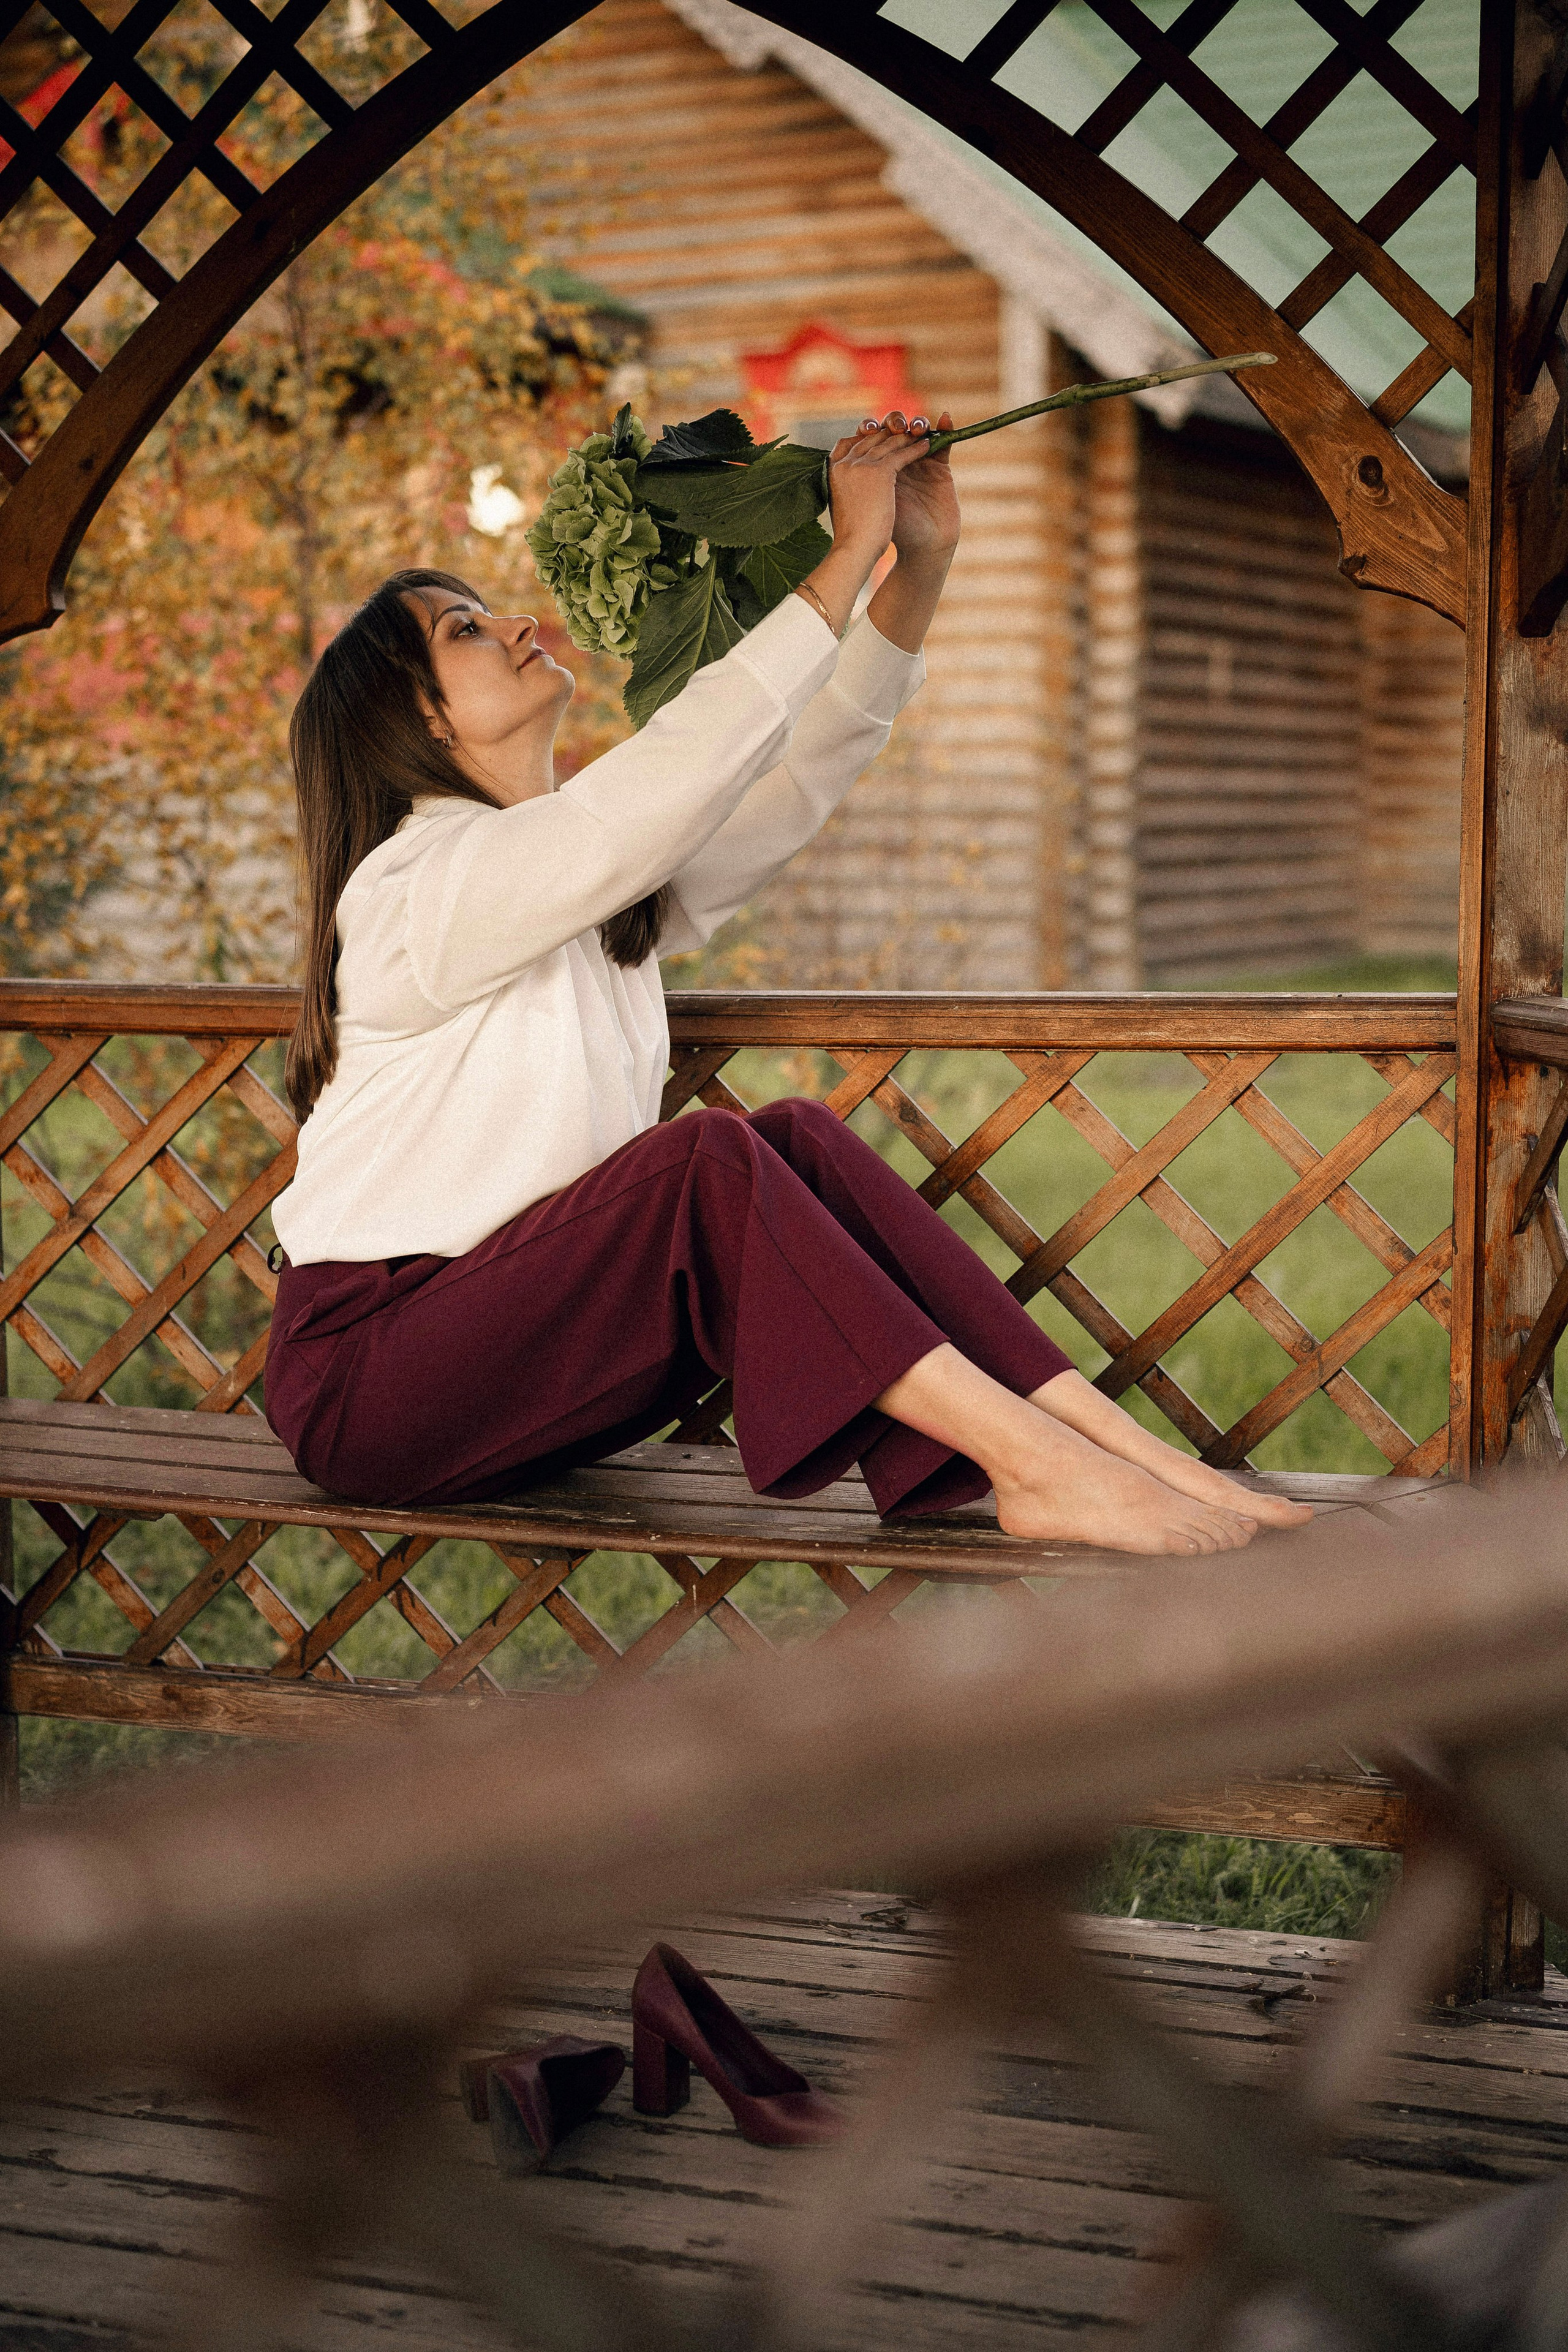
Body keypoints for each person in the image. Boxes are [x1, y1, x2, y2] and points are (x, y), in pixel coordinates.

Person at [265, 414, 1311, 1558]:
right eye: (466, 627)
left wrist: (919, 566)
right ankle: (1039, 1469)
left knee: (798, 1138)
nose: (515, 622)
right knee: (703, 1164)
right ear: (416, 716)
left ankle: (1128, 1458)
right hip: (374, 1376)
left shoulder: (569, 887)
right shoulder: (415, 888)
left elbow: (796, 770)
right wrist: (841, 554)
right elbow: (660, 789)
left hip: (521, 1345)